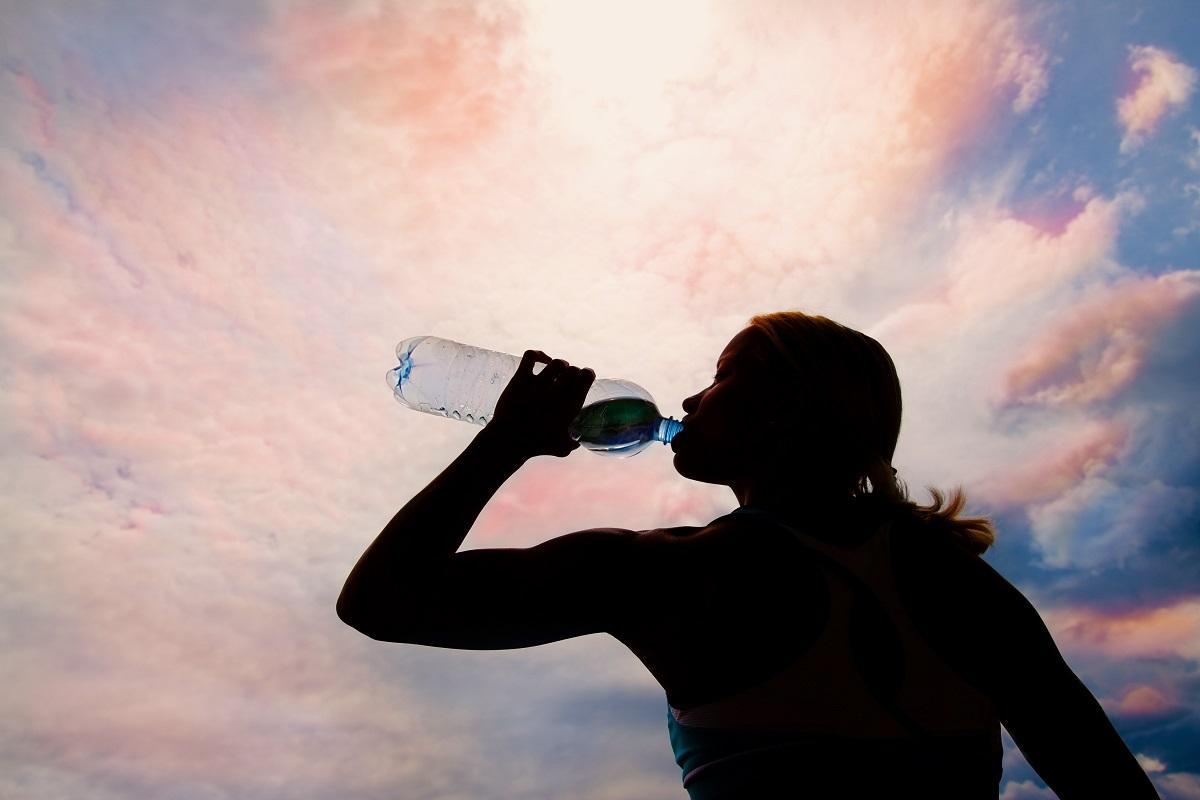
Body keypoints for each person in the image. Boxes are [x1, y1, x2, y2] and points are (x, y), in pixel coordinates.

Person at [337, 311, 1161, 799]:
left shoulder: (675, 574)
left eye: (725, 375)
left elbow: (379, 603)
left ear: (789, 410)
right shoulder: (955, 577)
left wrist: (504, 444)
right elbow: (1107, 785)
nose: (692, 398)